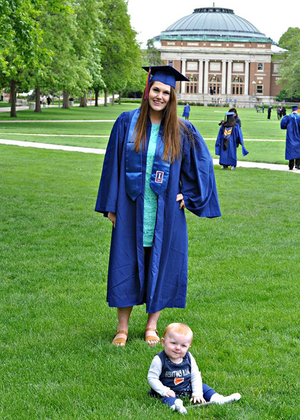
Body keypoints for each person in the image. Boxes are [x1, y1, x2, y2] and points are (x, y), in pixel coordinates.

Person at [95, 66, 221, 347]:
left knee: (161, 263)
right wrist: (110, 205)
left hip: (166, 211)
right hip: (130, 207)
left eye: (166, 92)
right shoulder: (126, 122)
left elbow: (201, 166)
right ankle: (122, 328)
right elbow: (111, 165)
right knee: (125, 261)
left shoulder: (181, 129)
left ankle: (152, 326)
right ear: (147, 91)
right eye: (156, 90)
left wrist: (188, 196)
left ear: (172, 97)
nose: (160, 96)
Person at [148, 323, 241, 414]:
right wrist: (164, 390)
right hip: (169, 390)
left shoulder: (189, 357)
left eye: (183, 345)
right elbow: (152, 378)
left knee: (203, 387)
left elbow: (195, 375)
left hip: (187, 387)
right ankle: (176, 406)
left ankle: (217, 398)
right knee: (167, 398)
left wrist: (197, 393)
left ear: (189, 347)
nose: (177, 348)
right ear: (163, 342)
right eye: (173, 343)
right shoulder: (159, 360)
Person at [280, 105, 300, 170]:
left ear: (291, 110)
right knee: (298, 150)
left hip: (290, 136)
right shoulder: (299, 117)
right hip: (298, 136)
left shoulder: (288, 117)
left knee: (290, 150)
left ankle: (291, 166)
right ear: (297, 110)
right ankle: (298, 165)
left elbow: (283, 126)